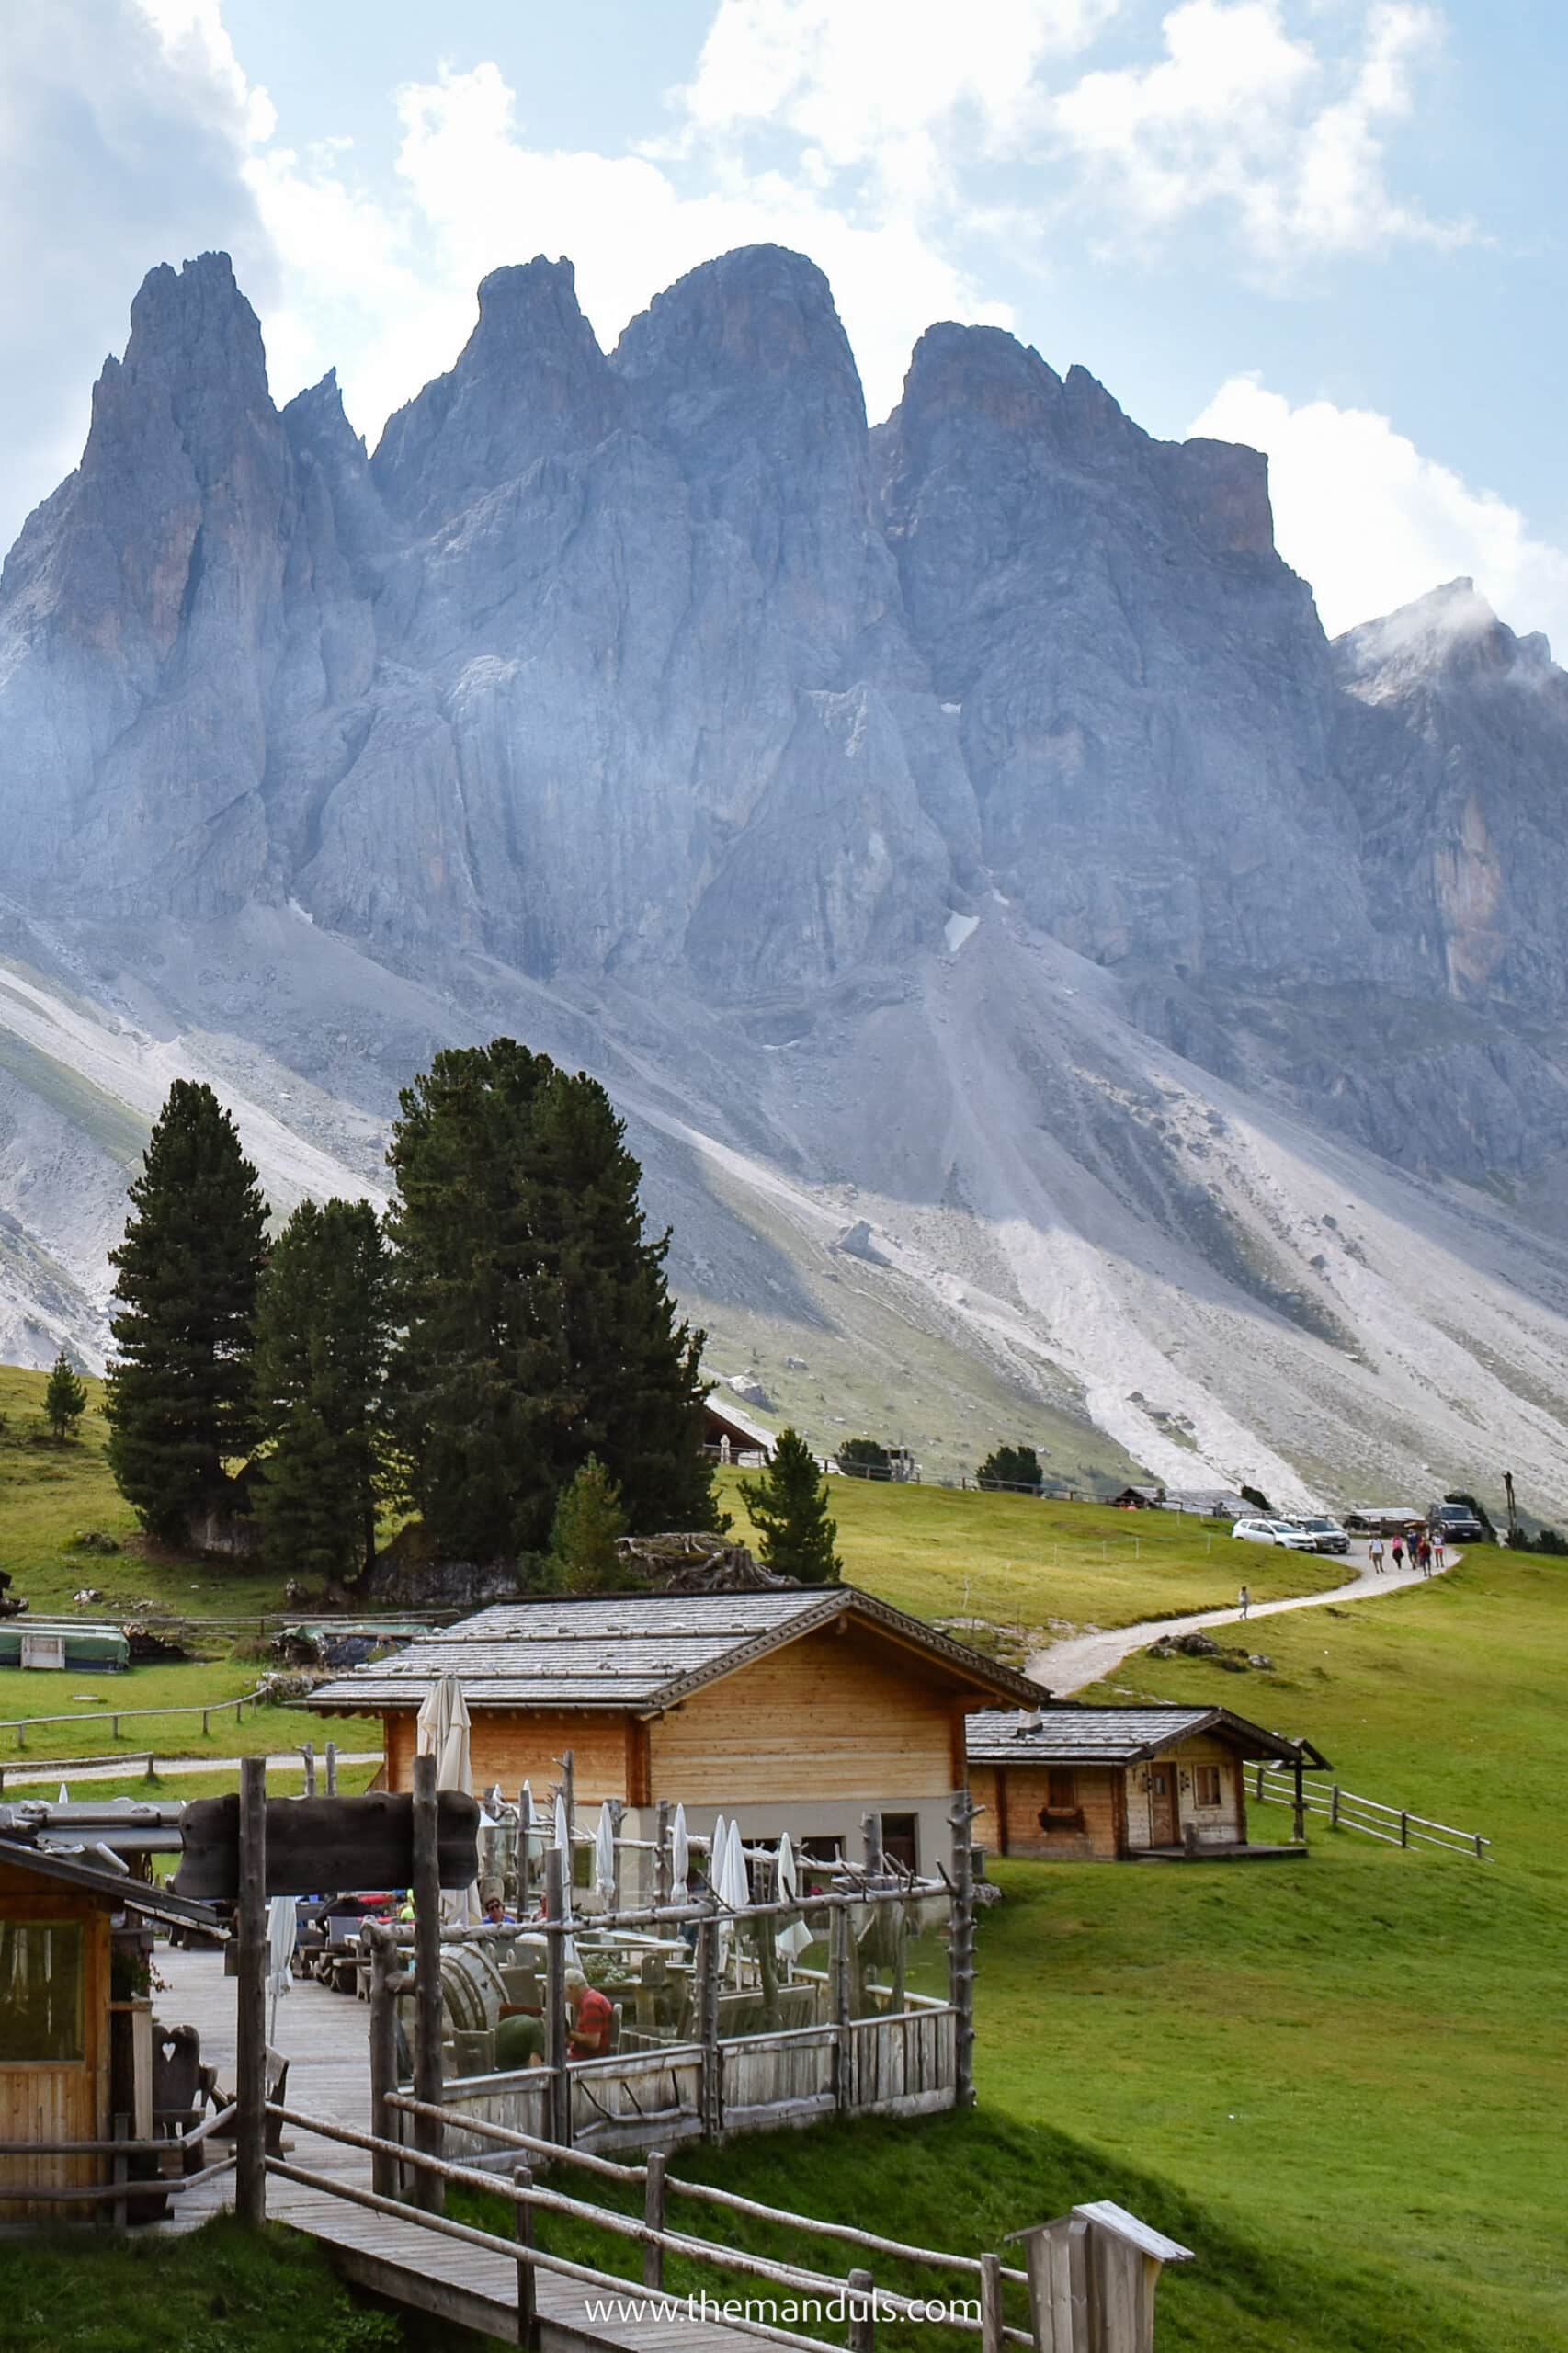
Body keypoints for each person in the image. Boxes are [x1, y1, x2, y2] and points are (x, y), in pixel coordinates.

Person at [564, 1965, 615, 2057]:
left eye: (566, 1995)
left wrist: (568, 2034)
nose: (567, 2000)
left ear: (572, 1988)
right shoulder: (593, 1998)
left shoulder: (590, 2004)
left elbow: (593, 2042)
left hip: (588, 2061)